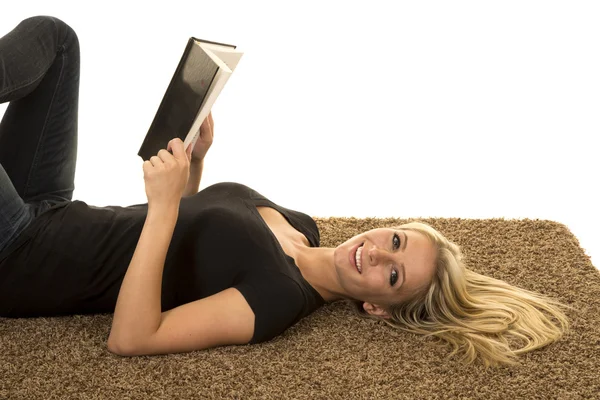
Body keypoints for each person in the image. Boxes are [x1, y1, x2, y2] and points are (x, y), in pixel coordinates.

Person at [0, 16, 573, 367]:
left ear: (376, 307)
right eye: (395, 240)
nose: (377, 252)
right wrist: (196, 166)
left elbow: (131, 337)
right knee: (58, 39)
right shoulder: (304, 225)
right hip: (52, 209)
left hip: (19, 259)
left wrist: (165, 205)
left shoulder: (276, 300)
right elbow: (187, 248)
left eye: (391, 275)